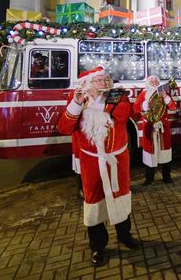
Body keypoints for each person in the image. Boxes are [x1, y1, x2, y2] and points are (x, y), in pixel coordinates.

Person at [57, 66, 139, 267]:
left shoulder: (117, 95)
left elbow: (124, 114)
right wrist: (77, 104)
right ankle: (98, 246)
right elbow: (64, 128)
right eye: (99, 80)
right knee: (94, 203)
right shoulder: (79, 101)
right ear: (87, 84)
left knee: (120, 198)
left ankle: (124, 235)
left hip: (117, 160)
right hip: (91, 162)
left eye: (106, 79)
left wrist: (102, 104)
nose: (104, 82)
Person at [133, 75, 177, 185]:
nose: (154, 82)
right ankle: (149, 179)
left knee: (165, 152)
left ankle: (167, 177)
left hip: (163, 127)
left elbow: (173, 107)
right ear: (148, 82)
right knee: (149, 153)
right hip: (149, 126)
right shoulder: (144, 94)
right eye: (151, 80)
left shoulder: (164, 92)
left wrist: (166, 97)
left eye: (156, 80)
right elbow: (136, 107)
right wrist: (145, 105)